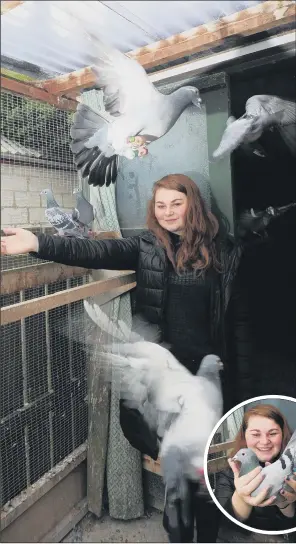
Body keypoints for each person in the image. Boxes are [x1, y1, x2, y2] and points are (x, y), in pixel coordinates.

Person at [1, 173, 252, 543]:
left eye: (176, 204)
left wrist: (244, 385)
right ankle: (179, 535)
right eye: (160, 205)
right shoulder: (146, 247)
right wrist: (37, 242)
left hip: (207, 382)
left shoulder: (227, 252)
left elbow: (240, 322)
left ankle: (209, 532)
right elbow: (92, 251)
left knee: (207, 474)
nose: (167, 212)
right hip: (163, 381)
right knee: (177, 474)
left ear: (193, 204)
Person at [215, 403, 296, 540]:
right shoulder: (228, 474)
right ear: (244, 436)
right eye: (255, 434)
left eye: (273, 433)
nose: (264, 441)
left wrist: (286, 504)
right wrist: (242, 497)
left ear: (283, 434)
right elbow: (222, 528)